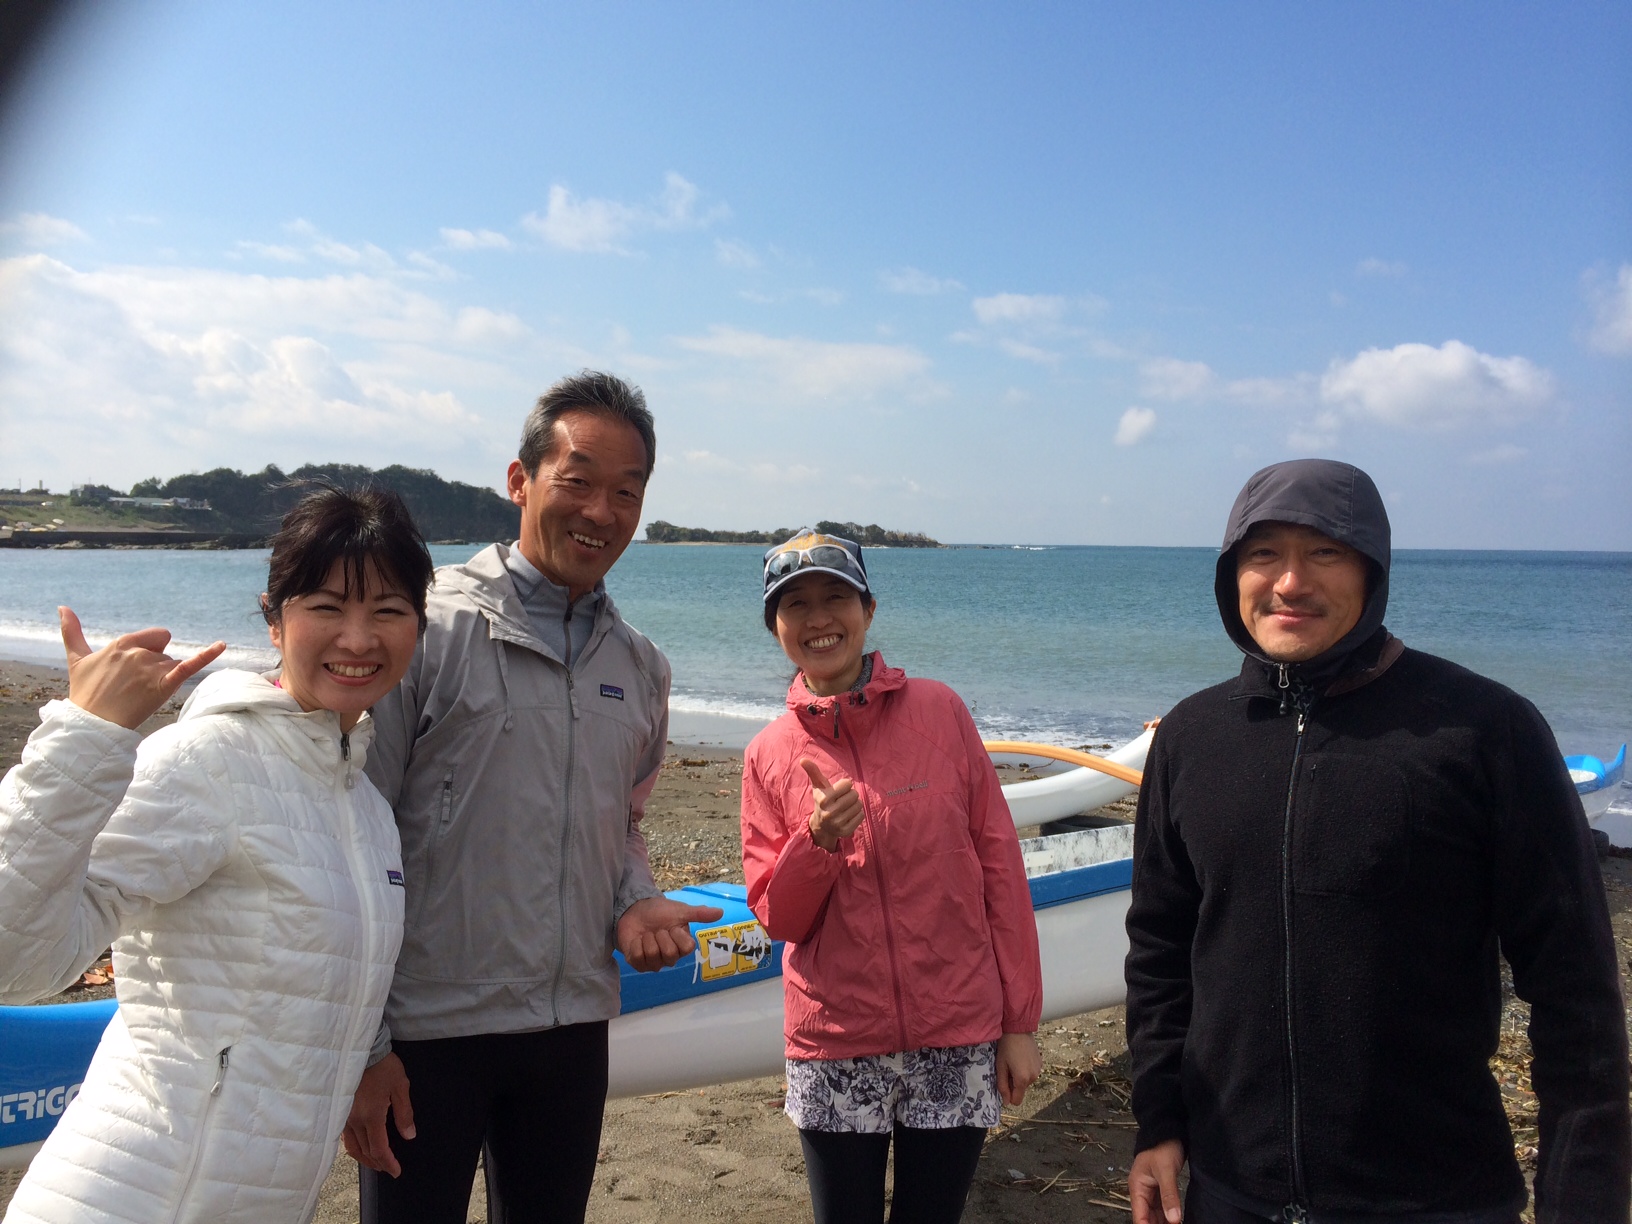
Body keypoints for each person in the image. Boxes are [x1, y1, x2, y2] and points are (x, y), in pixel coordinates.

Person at [1125, 459, 1631, 1224]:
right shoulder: (1192, 738)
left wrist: (1582, 1198)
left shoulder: (1482, 732)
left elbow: (1577, 991)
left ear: (1373, 570)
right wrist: (1159, 1123)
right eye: (1264, 554)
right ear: (1232, 575)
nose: (1290, 581)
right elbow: (1161, 951)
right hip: (1230, 1191)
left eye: (1325, 552)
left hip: (1434, 1198)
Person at [345, 370, 722, 1224]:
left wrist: (634, 899)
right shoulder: (426, 629)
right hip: (427, 1032)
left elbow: (624, 820)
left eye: (626, 492)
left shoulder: (641, 665)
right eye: (577, 480)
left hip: (570, 1031)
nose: (601, 511)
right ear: (520, 480)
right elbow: (354, 835)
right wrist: (365, 1046)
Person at [0, 485, 435, 1223]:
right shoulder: (207, 761)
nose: (359, 639)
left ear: (418, 628)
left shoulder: (365, 808)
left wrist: (368, 1054)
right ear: (274, 619)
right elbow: (17, 961)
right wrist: (84, 735)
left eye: (388, 611)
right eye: (327, 607)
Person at [740, 528, 1045, 1224]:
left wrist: (1019, 1023)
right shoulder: (767, 755)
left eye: (835, 597)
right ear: (775, 627)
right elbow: (779, 920)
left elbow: (1000, 868)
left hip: (956, 1032)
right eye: (795, 605)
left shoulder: (941, 712)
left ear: (868, 610)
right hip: (834, 1040)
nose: (818, 619)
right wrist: (817, 841)